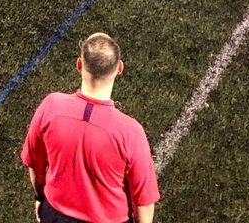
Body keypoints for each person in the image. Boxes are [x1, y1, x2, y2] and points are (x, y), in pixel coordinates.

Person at [22, 33, 159, 223]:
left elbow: (35, 164)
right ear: (119, 68)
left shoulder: (51, 106)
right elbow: (143, 201)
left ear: (79, 65)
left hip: (55, 215)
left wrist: (41, 198)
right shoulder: (130, 132)